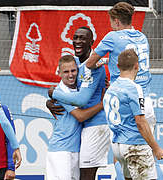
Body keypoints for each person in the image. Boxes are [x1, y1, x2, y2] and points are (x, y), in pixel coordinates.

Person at [48, 27, 110, 180]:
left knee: (86, 176)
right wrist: (49, 101)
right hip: (82, 131)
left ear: (91, 42)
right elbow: (63, 83)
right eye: (75, 38)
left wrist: (54, 94)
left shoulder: (94, 67)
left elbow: (81, 100)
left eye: (82, 38)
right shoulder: (75, 63)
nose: (77, 41)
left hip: (96, 125)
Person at [103, 49, 163, 179]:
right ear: (137, 66)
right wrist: (156, 149)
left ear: (117, 66)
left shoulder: (111, 89)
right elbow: (140, 122)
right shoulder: (134, 88)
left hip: (117, 147)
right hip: (134, 146)